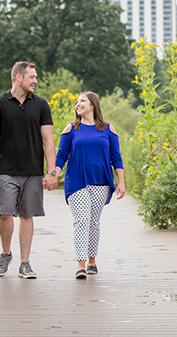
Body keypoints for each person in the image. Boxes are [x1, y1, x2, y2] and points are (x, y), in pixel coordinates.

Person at [0, 61, 57, 279]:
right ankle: (5, 254)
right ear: (18, 77)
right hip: (5, 169)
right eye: (32, 77)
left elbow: (48, 140)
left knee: (27, 215)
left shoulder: (41, 105)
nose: (35, 80)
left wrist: (51, 171)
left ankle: (25, 263)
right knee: (4, 213)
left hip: (33, 170)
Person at [51, 91, 125, 279]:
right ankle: (80, 265)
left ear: (93, 105)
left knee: (93, 222)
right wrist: (53, 174)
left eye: (82, 101)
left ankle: (92, 261)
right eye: (76, 102)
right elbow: (61, 155)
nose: (78, 104)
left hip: (101, 181)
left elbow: (116, 157)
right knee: (82, 220)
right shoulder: (71, 129)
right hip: (77, 181)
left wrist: (121, 182)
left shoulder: (108, 129)